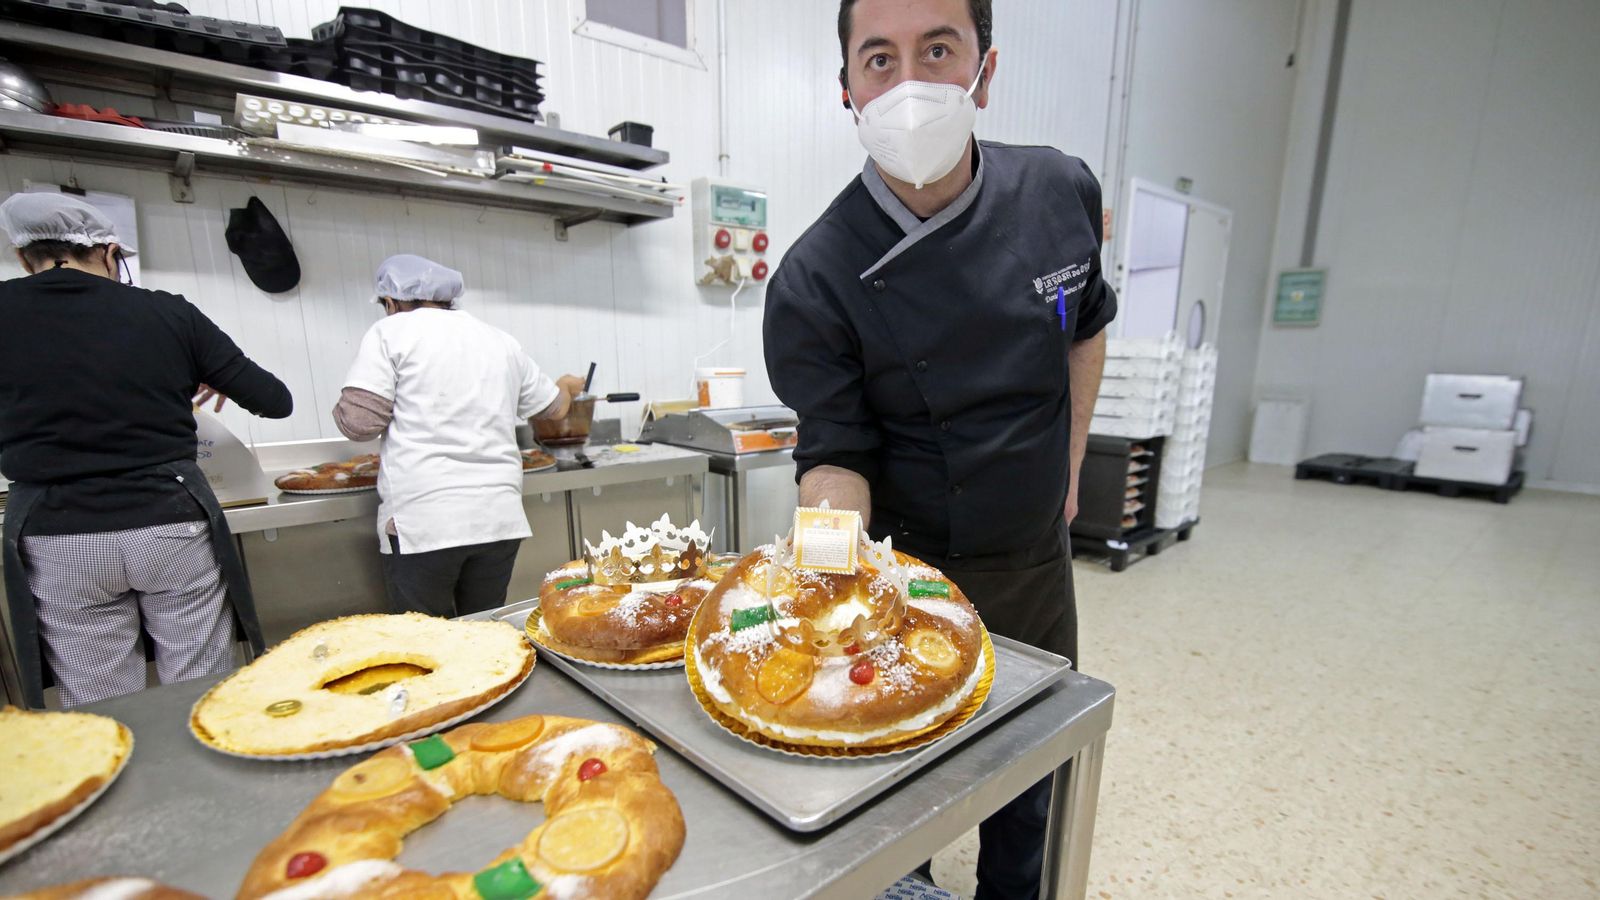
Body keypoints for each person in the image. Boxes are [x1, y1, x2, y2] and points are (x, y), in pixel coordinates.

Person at [761, 1, 1116, 897]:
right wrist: (827, 586)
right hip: (910, 574)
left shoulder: (1060, 192)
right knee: (902, 794)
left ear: (984, 72)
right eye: (879, 59)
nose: (909, 83)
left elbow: (1085, 329)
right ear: (847, 89)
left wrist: (1070, 469)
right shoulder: (816, 275)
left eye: (939, 50)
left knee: (1029, 783)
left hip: (1037, 560)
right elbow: (834, 456)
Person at [0, 192, 294, 709]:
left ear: (24, 257)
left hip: (59, 533)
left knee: (98, 702)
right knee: (197, 687)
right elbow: (275, 400)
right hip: (169, 525)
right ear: (111, 254)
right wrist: (197, 367)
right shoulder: (168, 314)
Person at [333, 254, 584, 618]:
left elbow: (358, 423)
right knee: (485, 636)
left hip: (426, 523)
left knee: (426, 644)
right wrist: (566, 386)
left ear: (391, 301)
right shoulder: (499, 340)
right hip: (498, 521)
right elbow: (554, 408)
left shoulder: (390, 332)